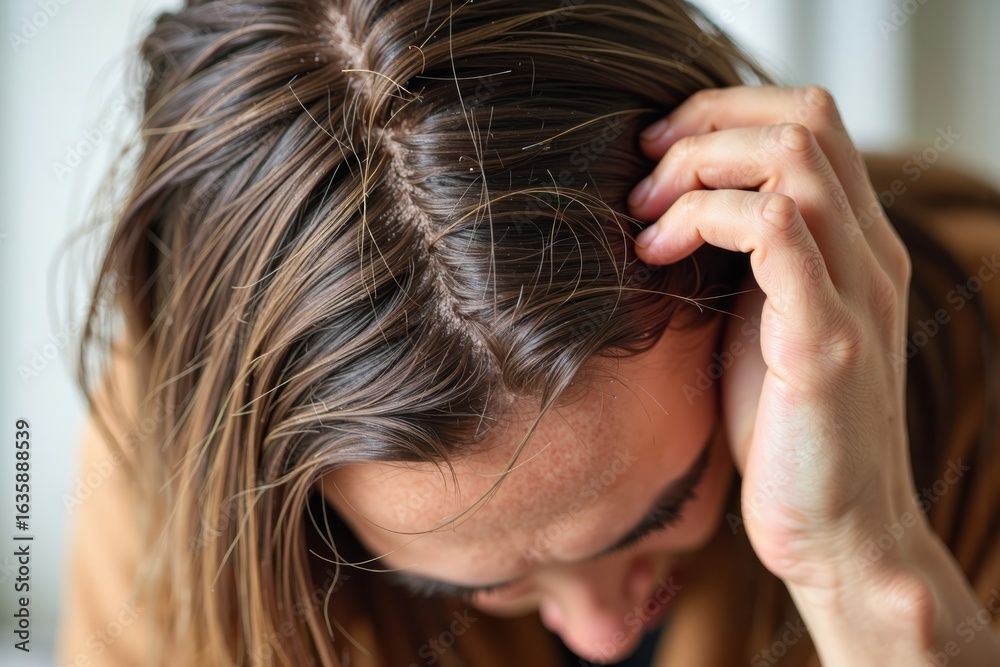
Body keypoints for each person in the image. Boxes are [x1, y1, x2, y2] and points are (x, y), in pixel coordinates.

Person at [56, 0, 1000, 665]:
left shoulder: (980, 345)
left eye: (666, 506)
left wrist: (860, 566)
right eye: (469, 582)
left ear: (750, 301)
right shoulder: (190, 450)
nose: (601, 633)